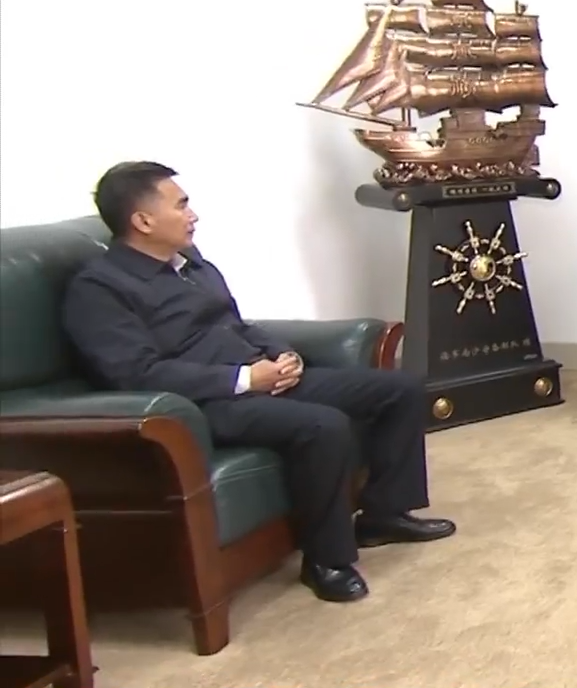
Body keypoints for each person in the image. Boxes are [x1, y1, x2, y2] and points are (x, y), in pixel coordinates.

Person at [59, 162, 455, 604]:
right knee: (323, 425)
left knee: (399, 389)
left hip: (260, 377)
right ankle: (326, 560)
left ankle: (383, 515)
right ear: (143, 221)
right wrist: (246, 379)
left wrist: (282, 355)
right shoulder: (100, 289)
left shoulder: (191, 265)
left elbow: (236, 324)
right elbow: (135, 373)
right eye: (181, 205)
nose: (193, 215)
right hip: (201, 404)